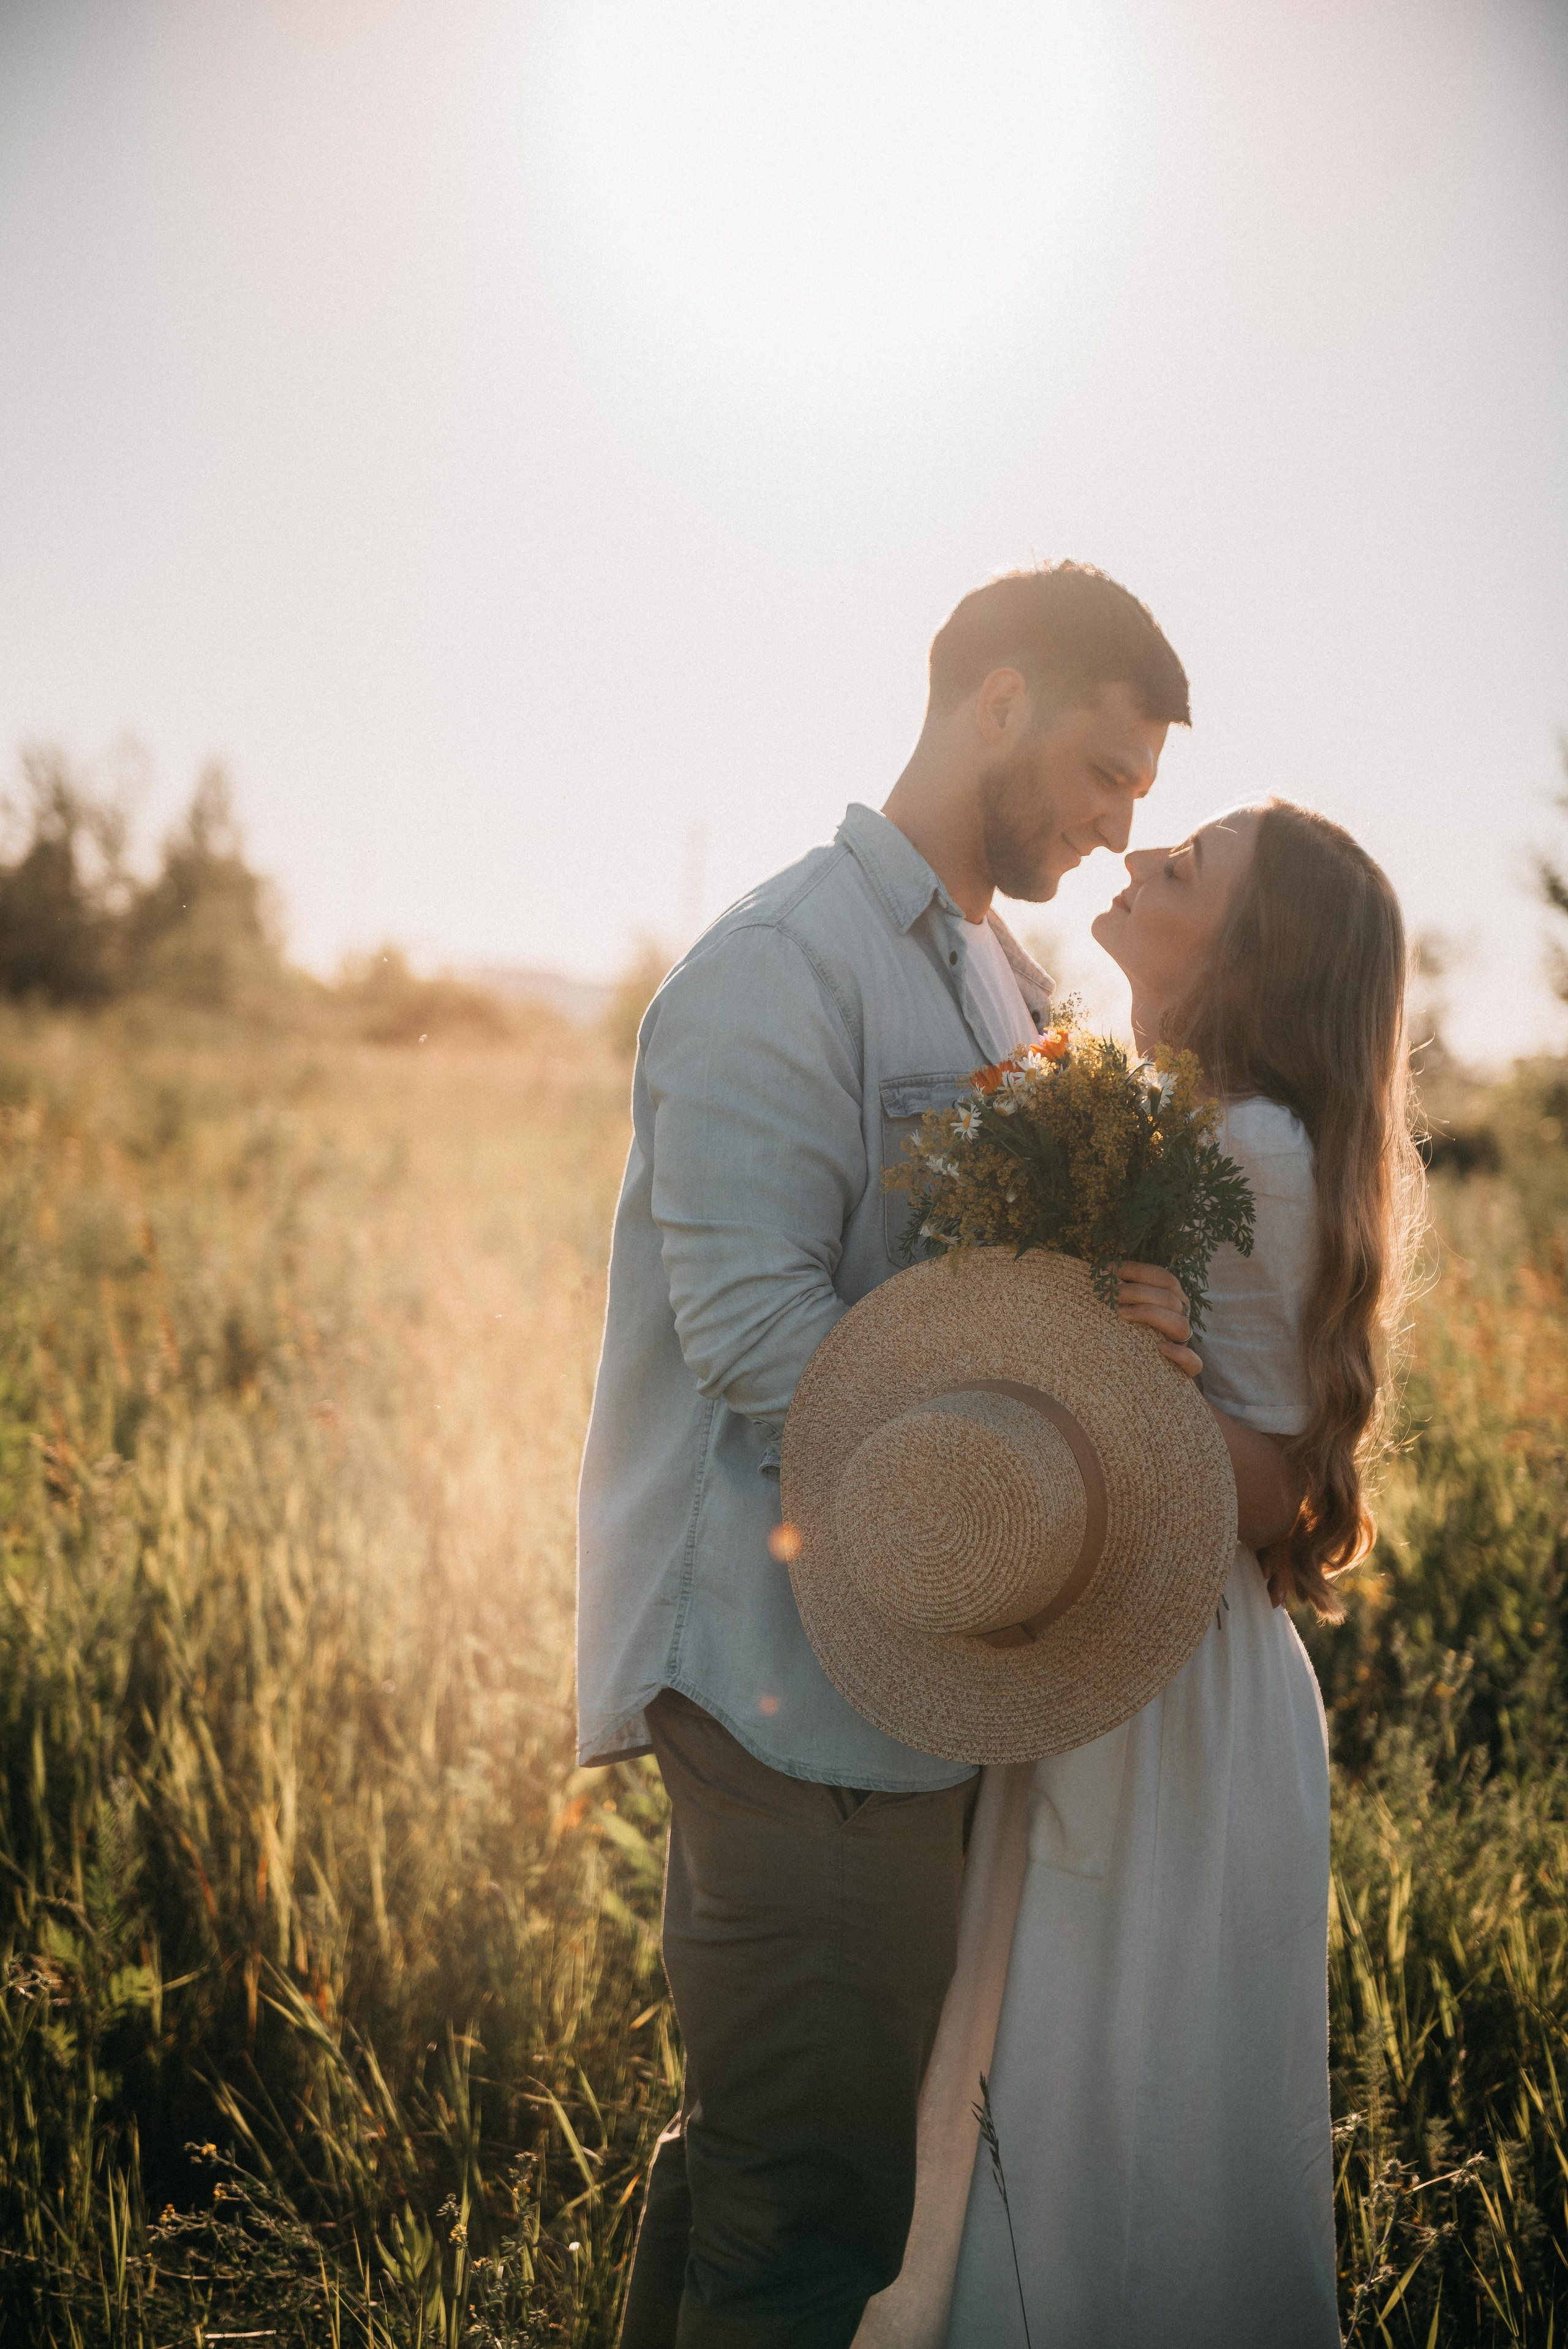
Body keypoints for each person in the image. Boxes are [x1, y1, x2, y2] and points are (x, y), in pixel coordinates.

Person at [576, 565, 1301, 2347]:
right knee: (802, 2212)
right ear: (994, 701)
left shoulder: (1002, 978)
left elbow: (991, 1297)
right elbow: (754, 1337)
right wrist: (1012, 1452)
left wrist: (1102, 1357)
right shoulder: (779, 967)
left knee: (797, 2167)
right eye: (1108, 772)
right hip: (787, 1694)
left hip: (918, 1673)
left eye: (1144, 794)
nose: (1124, 824)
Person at [857, 800, 1420, 2349]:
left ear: (1252, 953)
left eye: (1182, 869)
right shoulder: (1171, 1108)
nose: (1136, 859)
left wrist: (1133, 1393)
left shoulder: (1253, 1146)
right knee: (1066, 2071)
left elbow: (1286, 1490)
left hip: (1173, 1686)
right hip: (1122, 1655)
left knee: (1113, 2088)